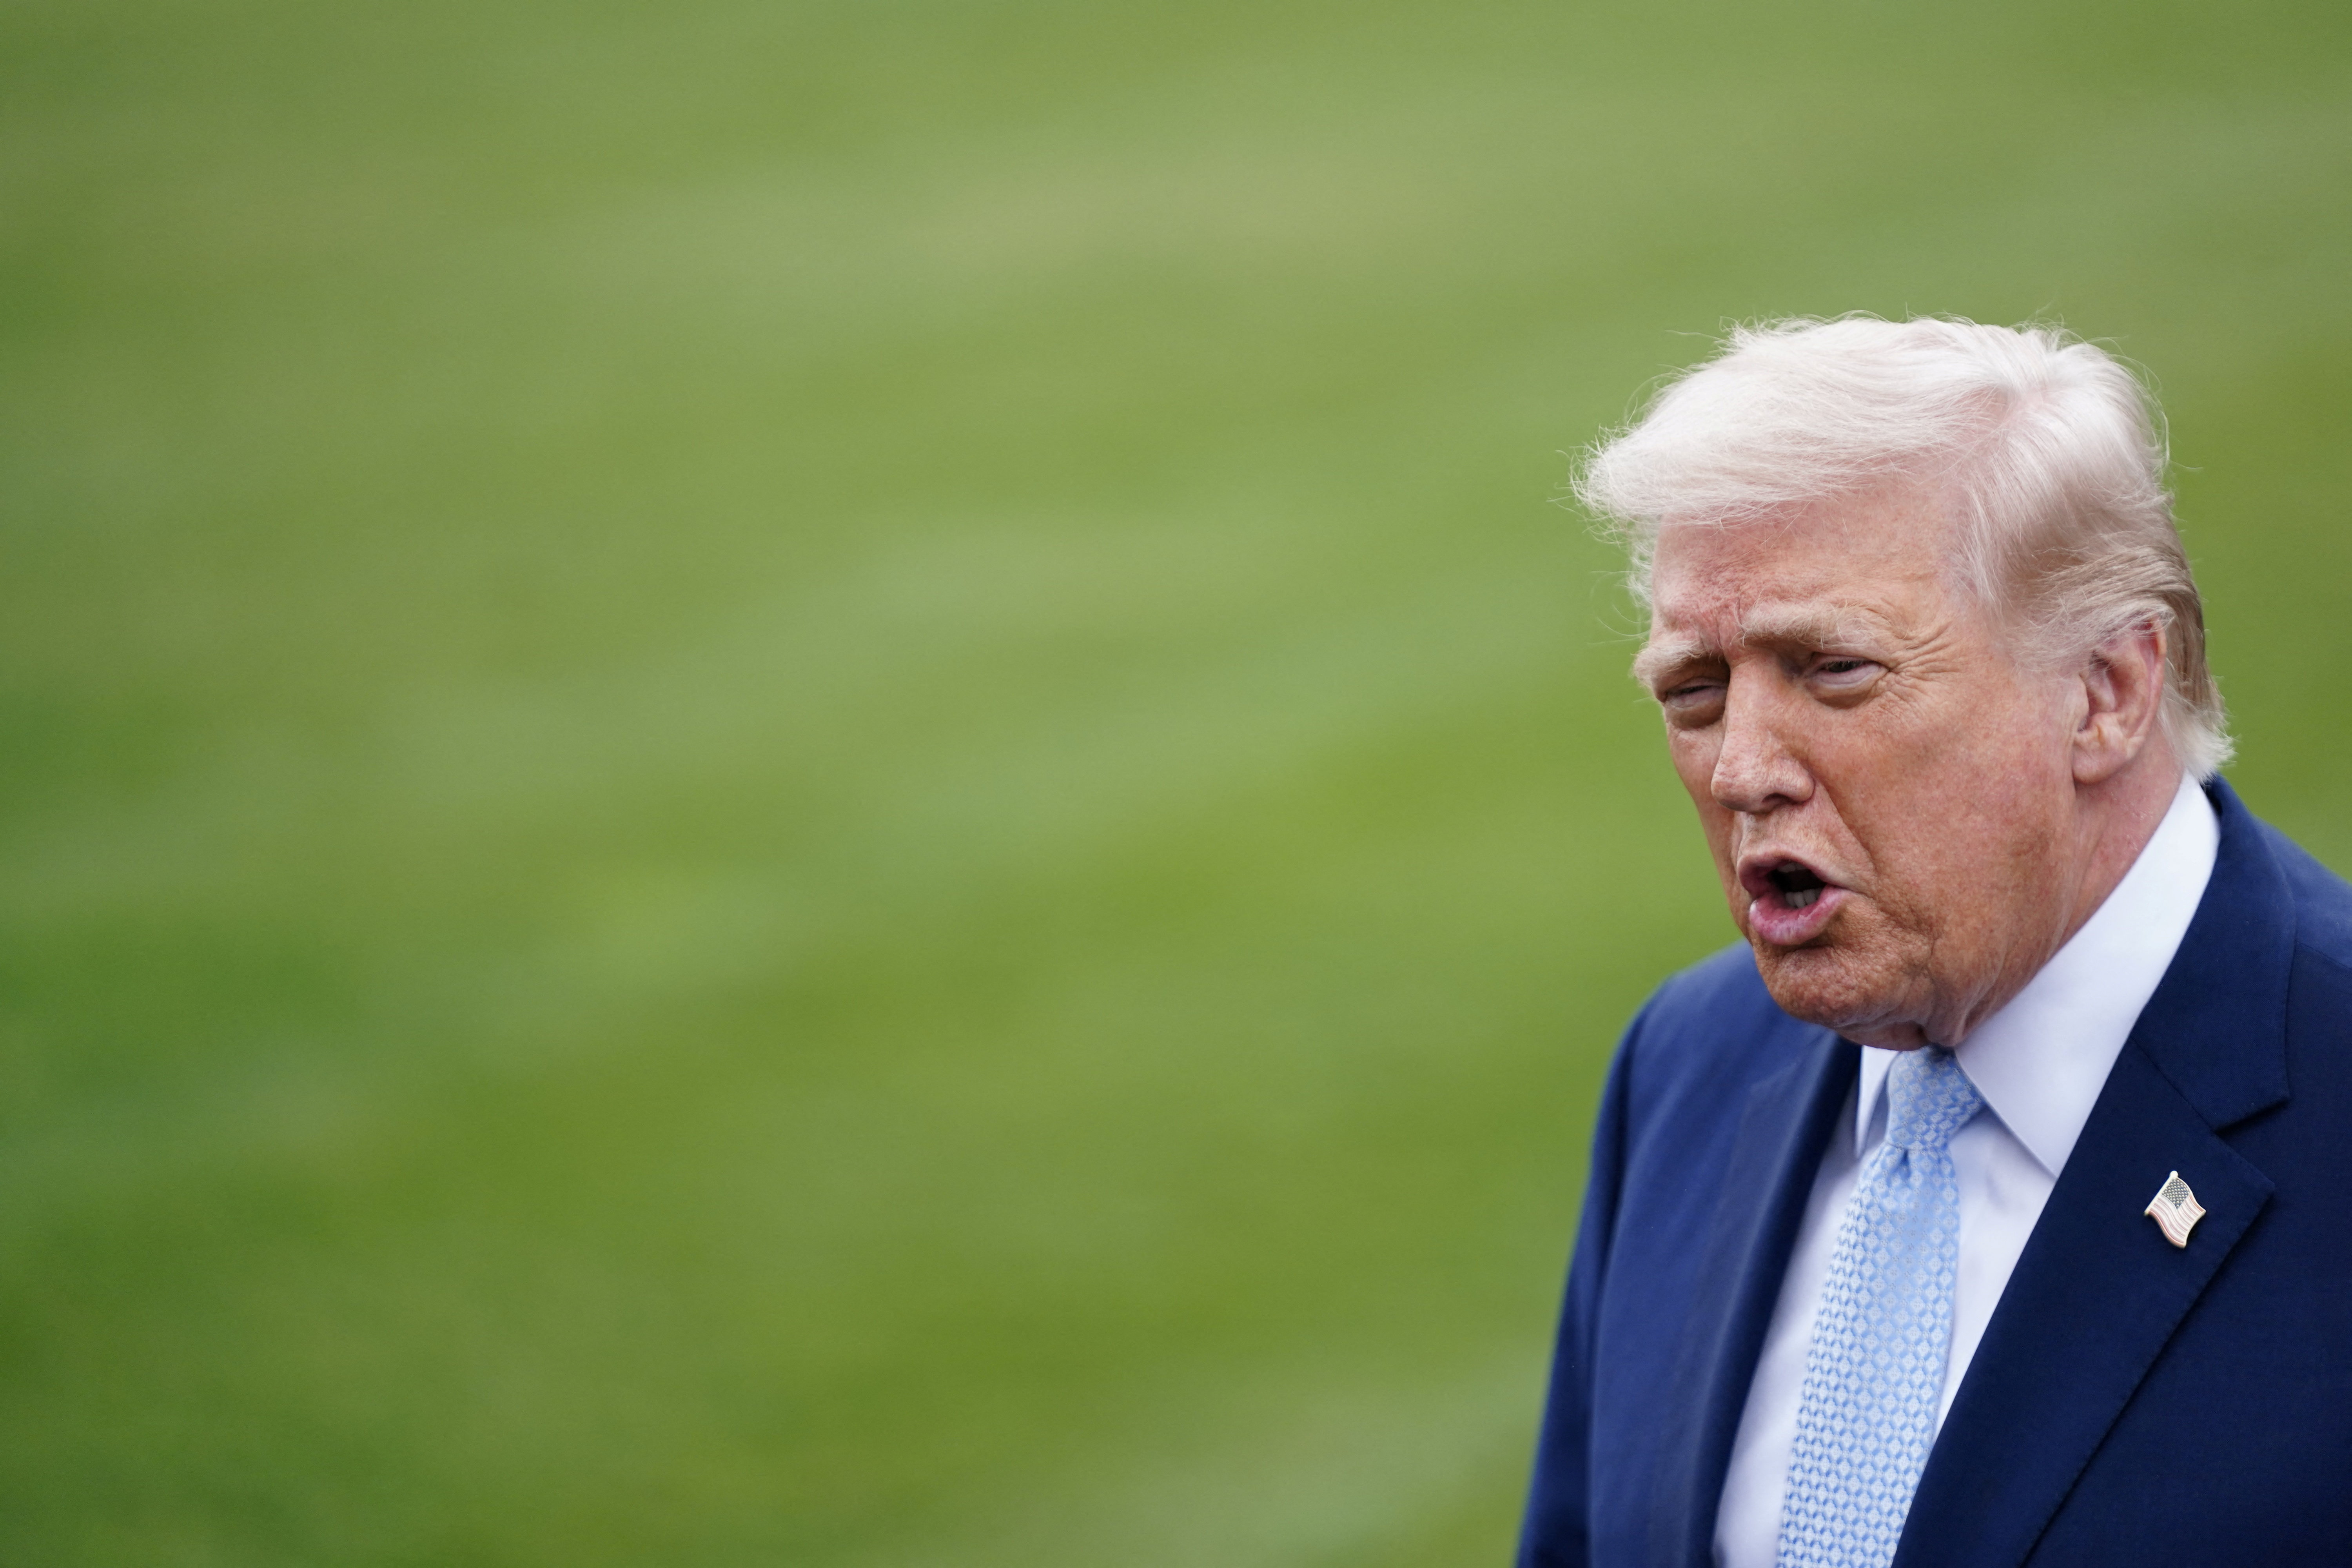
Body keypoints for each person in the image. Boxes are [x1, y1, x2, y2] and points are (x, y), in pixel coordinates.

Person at [1516, 317, 2352, 1568]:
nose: (1742, 769)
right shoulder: (1686, 1066)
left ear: (2107, 692)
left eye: (1834, 670)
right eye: (1695, 690)